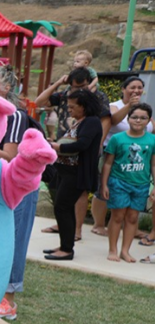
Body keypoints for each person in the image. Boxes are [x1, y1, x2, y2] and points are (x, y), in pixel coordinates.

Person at [0, 64, 38, 321]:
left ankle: (9, 300)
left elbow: (10, 156)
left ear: (6, 88)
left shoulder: (14, 115)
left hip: (19, 185)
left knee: (14, 238)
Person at [36, 67, 113, 240]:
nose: (79, 89)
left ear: (90, 82)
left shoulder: (96, 100)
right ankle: (64, 227)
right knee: (61, 196)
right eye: (75, 86)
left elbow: (105, 121)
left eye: (82, 86)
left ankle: (76, 230)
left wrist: (95, 146)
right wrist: (57, 83)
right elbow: (40, 101)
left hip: (79, 154)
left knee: (78, 193)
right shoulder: (65, 95)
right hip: (64, 151)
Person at [44, 89, 104, 261]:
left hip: (76, 173)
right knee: (65, 208)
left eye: (72, 107)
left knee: (62, 207)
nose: (69, 110)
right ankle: (65, 245)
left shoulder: (92, 122)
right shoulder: (81, 121)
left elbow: (82, 145)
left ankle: (67, 249)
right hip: (66, 171)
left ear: (84, 106)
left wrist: (57, 147)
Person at [101, 103, 155, 263]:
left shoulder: (152, 140)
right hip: (119, 182)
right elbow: (108, 163)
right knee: (117, 216)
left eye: (143, 118)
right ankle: (113, 249)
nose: (138, 120)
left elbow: (153, 164)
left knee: (132, 217)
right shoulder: (117, 139)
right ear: (128, 118)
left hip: (141, 184)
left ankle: (125, 251)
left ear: (149, 121)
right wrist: (104, 184)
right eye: (135, 117)